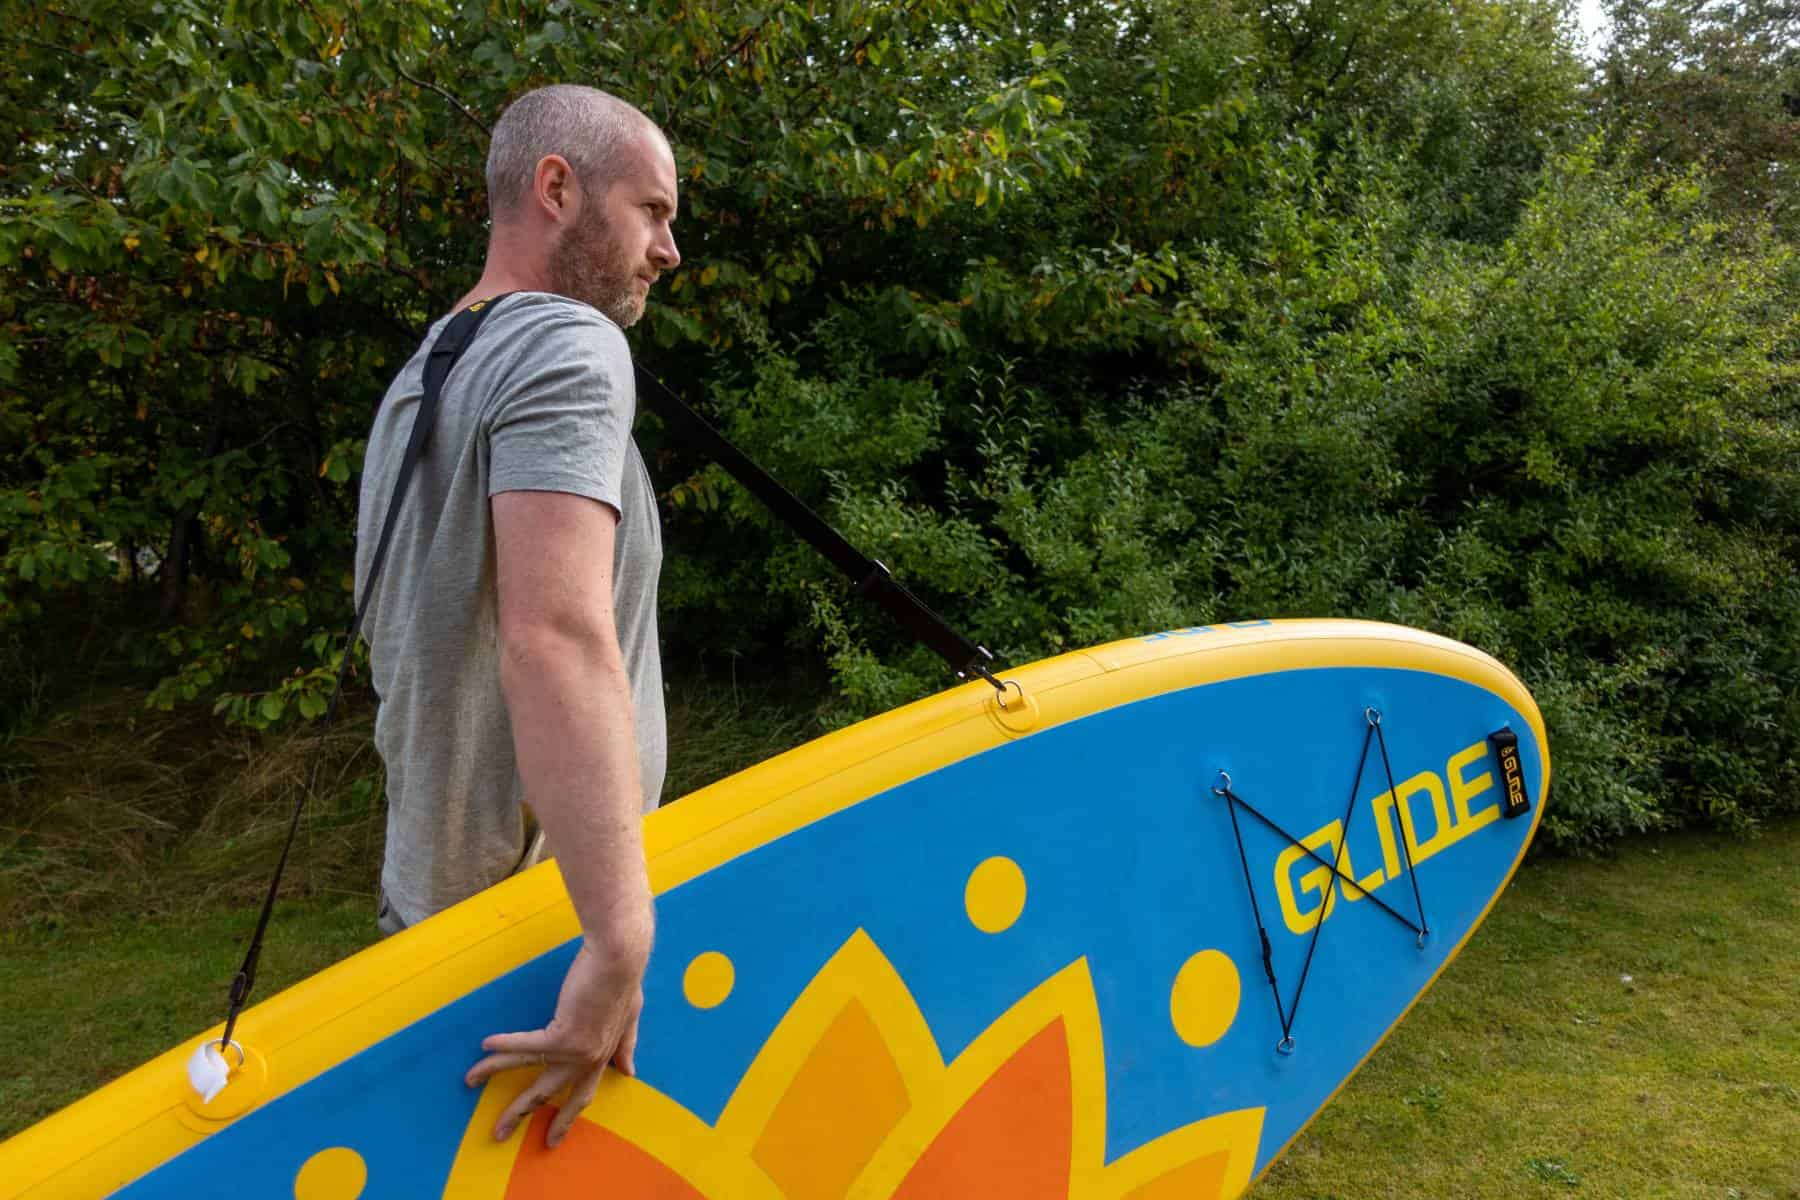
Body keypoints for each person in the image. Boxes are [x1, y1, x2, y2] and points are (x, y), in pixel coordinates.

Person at [353, 84, 681, 1151]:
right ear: (556, 189)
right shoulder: (567, 347)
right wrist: (620, 937)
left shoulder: (424, 376)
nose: (668, 249)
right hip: (539, 947)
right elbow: (554, 635)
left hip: (431, 922)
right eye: (652, 211)